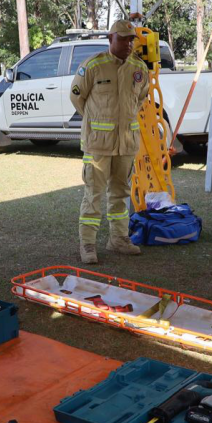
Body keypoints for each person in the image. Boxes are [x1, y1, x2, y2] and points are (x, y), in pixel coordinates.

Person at [70, 19, 149, 264]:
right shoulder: (93, 65)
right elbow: (77, 98)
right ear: (110, 38)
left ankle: (118, 239)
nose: (128, 43)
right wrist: (96, 123)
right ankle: (88, 244)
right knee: (93, 194)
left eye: (131, 39)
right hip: (98, 145)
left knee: (121, 193)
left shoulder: (139, 68)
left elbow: (141, 99)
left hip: (126, 143)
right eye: (123, 38)